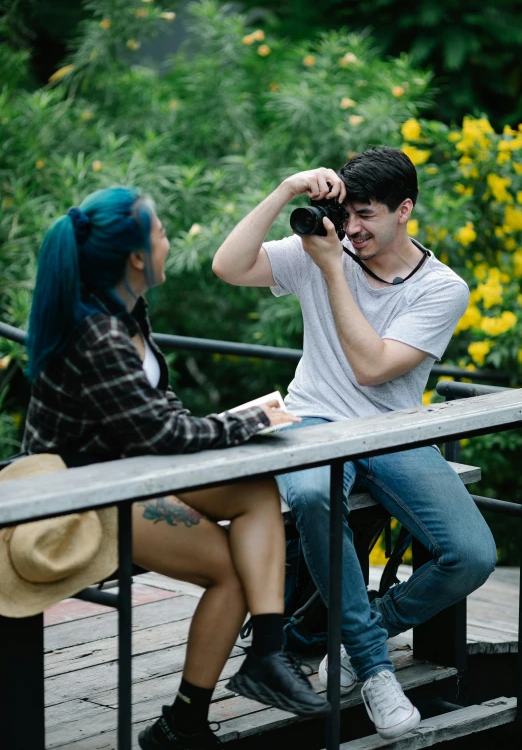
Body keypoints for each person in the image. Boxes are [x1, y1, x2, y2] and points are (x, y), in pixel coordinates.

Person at [22, 187, 331, 750]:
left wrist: (234, 423)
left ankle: (265, 653)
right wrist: (252, 421)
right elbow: (164, 435)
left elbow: (156, 419)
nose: (167, 239)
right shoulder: (97, 334)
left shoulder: (128, 311)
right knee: (233, 572)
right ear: (137, 256)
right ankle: (184, 723)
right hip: (84, 496)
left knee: (256, 488)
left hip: (135, 472)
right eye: (161, 232)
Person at [212, 147, 497, 741]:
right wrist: (285, 188)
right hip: (312, 420)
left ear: (405, 210)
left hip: (393, 429)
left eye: (366, 215)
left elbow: (372, 368)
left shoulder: (442, 289)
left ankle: (329, 637)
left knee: (472, 554)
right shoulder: (326, 245)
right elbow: (228, 266)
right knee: (315, 498)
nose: (353, 230)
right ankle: (373, 668)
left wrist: (331, 271)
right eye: (347, 216)